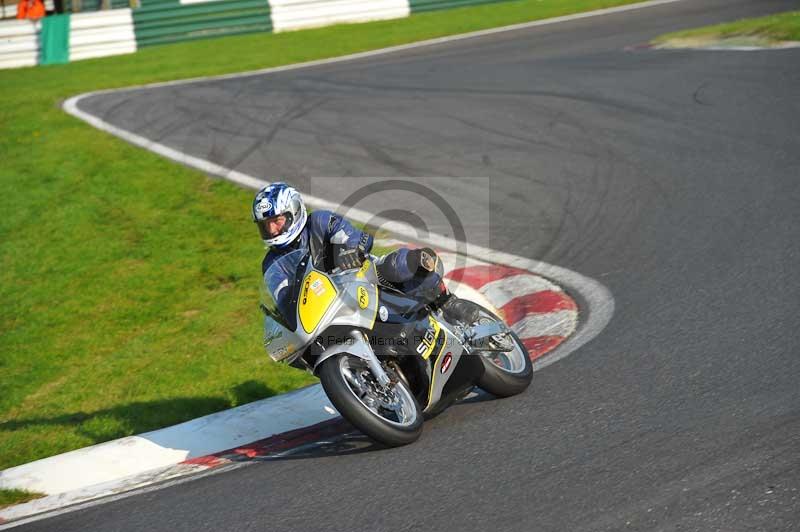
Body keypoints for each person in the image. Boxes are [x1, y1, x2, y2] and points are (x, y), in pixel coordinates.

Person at [254, 182, 472, 322]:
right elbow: (284, 301)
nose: (272, 229)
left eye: (277, 221)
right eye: (266, 225)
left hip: (360, 276)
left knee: (397, 265)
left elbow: (356, 239)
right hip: (324, 311)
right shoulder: (272, 263)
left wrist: (352, 252)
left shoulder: (319, 222)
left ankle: (448, 302)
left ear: (294, 211)